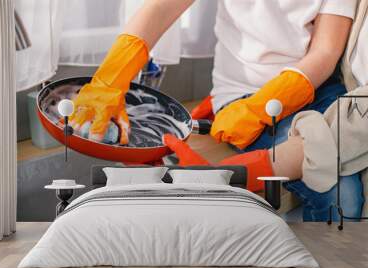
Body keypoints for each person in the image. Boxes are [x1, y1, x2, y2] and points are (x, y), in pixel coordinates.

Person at [68, 0, 361, 221]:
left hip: (316, 89)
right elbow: (161, 7)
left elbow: (324, 51)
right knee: (342, 196)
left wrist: (261, 107)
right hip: (242, 95)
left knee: (343, 197)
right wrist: (111, 77)